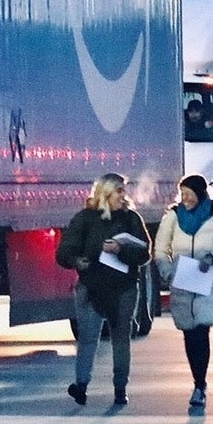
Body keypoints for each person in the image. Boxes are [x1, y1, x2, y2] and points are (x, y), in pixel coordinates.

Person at [55, 172, 152, 406]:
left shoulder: (131, 219)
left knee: (121, 338)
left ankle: (120, 388)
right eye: (118, 191)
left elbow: (144, 253)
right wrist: (77, 260)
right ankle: (81, 385)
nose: (123, 195)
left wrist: (120, 249)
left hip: (123, 288)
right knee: (88, 338)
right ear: (106, 194)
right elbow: (64, 251)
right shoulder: (85, 219)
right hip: (91, 286)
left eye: (123, 191)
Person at [154, 173, 213, 411]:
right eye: (182, 194)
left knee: (201, 330)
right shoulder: (173, 216)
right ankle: (197, 380)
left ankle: (200, 385)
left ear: (200, 194)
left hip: (208, 279)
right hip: (183, 279)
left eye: (189, 194)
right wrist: (167, 270)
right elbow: (160, 249)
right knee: (189, 333)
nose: (185, 199)